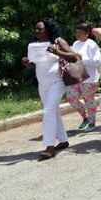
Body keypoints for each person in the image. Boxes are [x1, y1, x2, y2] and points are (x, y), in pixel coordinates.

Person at [21, 18, 77, 159]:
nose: (37, 31)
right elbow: (34, 64)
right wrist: (28, 63)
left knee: (48, 111)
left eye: (40, 28)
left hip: (57, 82)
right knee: (53, 112)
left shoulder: (58, 41)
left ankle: (49, 146)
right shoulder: (35, 46)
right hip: (43, 84)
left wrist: (58, 52)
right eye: (35, 28)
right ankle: (63, 140)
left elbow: (74, 57)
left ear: (48, 29)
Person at [66, 23, 101, 132]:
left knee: (89, 100)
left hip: (90, 78)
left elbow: (97, 61)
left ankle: (92, 123)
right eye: (76, 32)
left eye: (80, 33)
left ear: (87, 34)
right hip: (77, 75)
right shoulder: (75, 43)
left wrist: (82, 58)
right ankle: (85, 117)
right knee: (71, 98)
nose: (77, 34)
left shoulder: (91, 44)